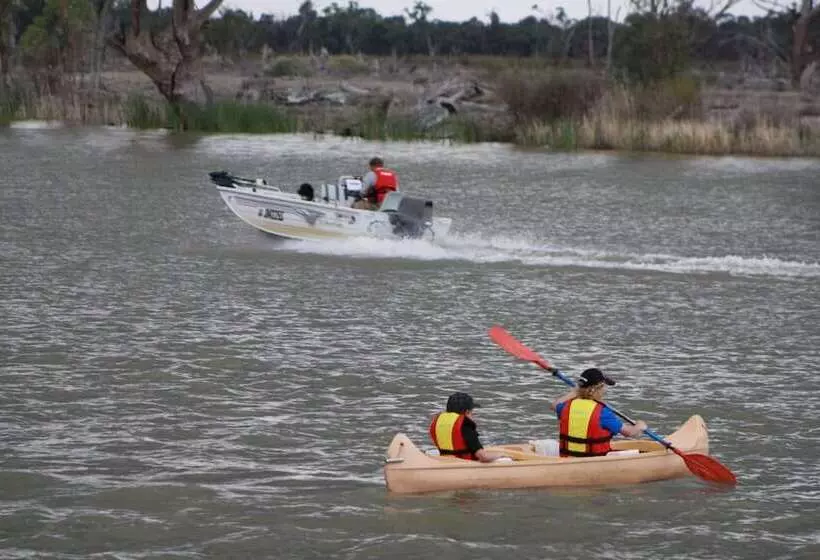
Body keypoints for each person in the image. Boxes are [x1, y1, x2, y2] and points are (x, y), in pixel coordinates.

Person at [550, 368, 647, 458]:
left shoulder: (566, 407)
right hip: (595, 460)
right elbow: (629, 432)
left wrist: (576, 392)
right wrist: (640, 426)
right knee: (639, 452)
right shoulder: (603, 412)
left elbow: (554, 405)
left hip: (567, 457)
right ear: (599, 389)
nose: (605, 390)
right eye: (604, 387)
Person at [428, 392, 513, 463]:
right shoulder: (465, 425)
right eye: (472, 412)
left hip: (445, 462)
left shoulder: (438, 422)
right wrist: (501, 454)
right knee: (506, 459)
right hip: (465, 465)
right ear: (467, 412)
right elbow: (483, 457)